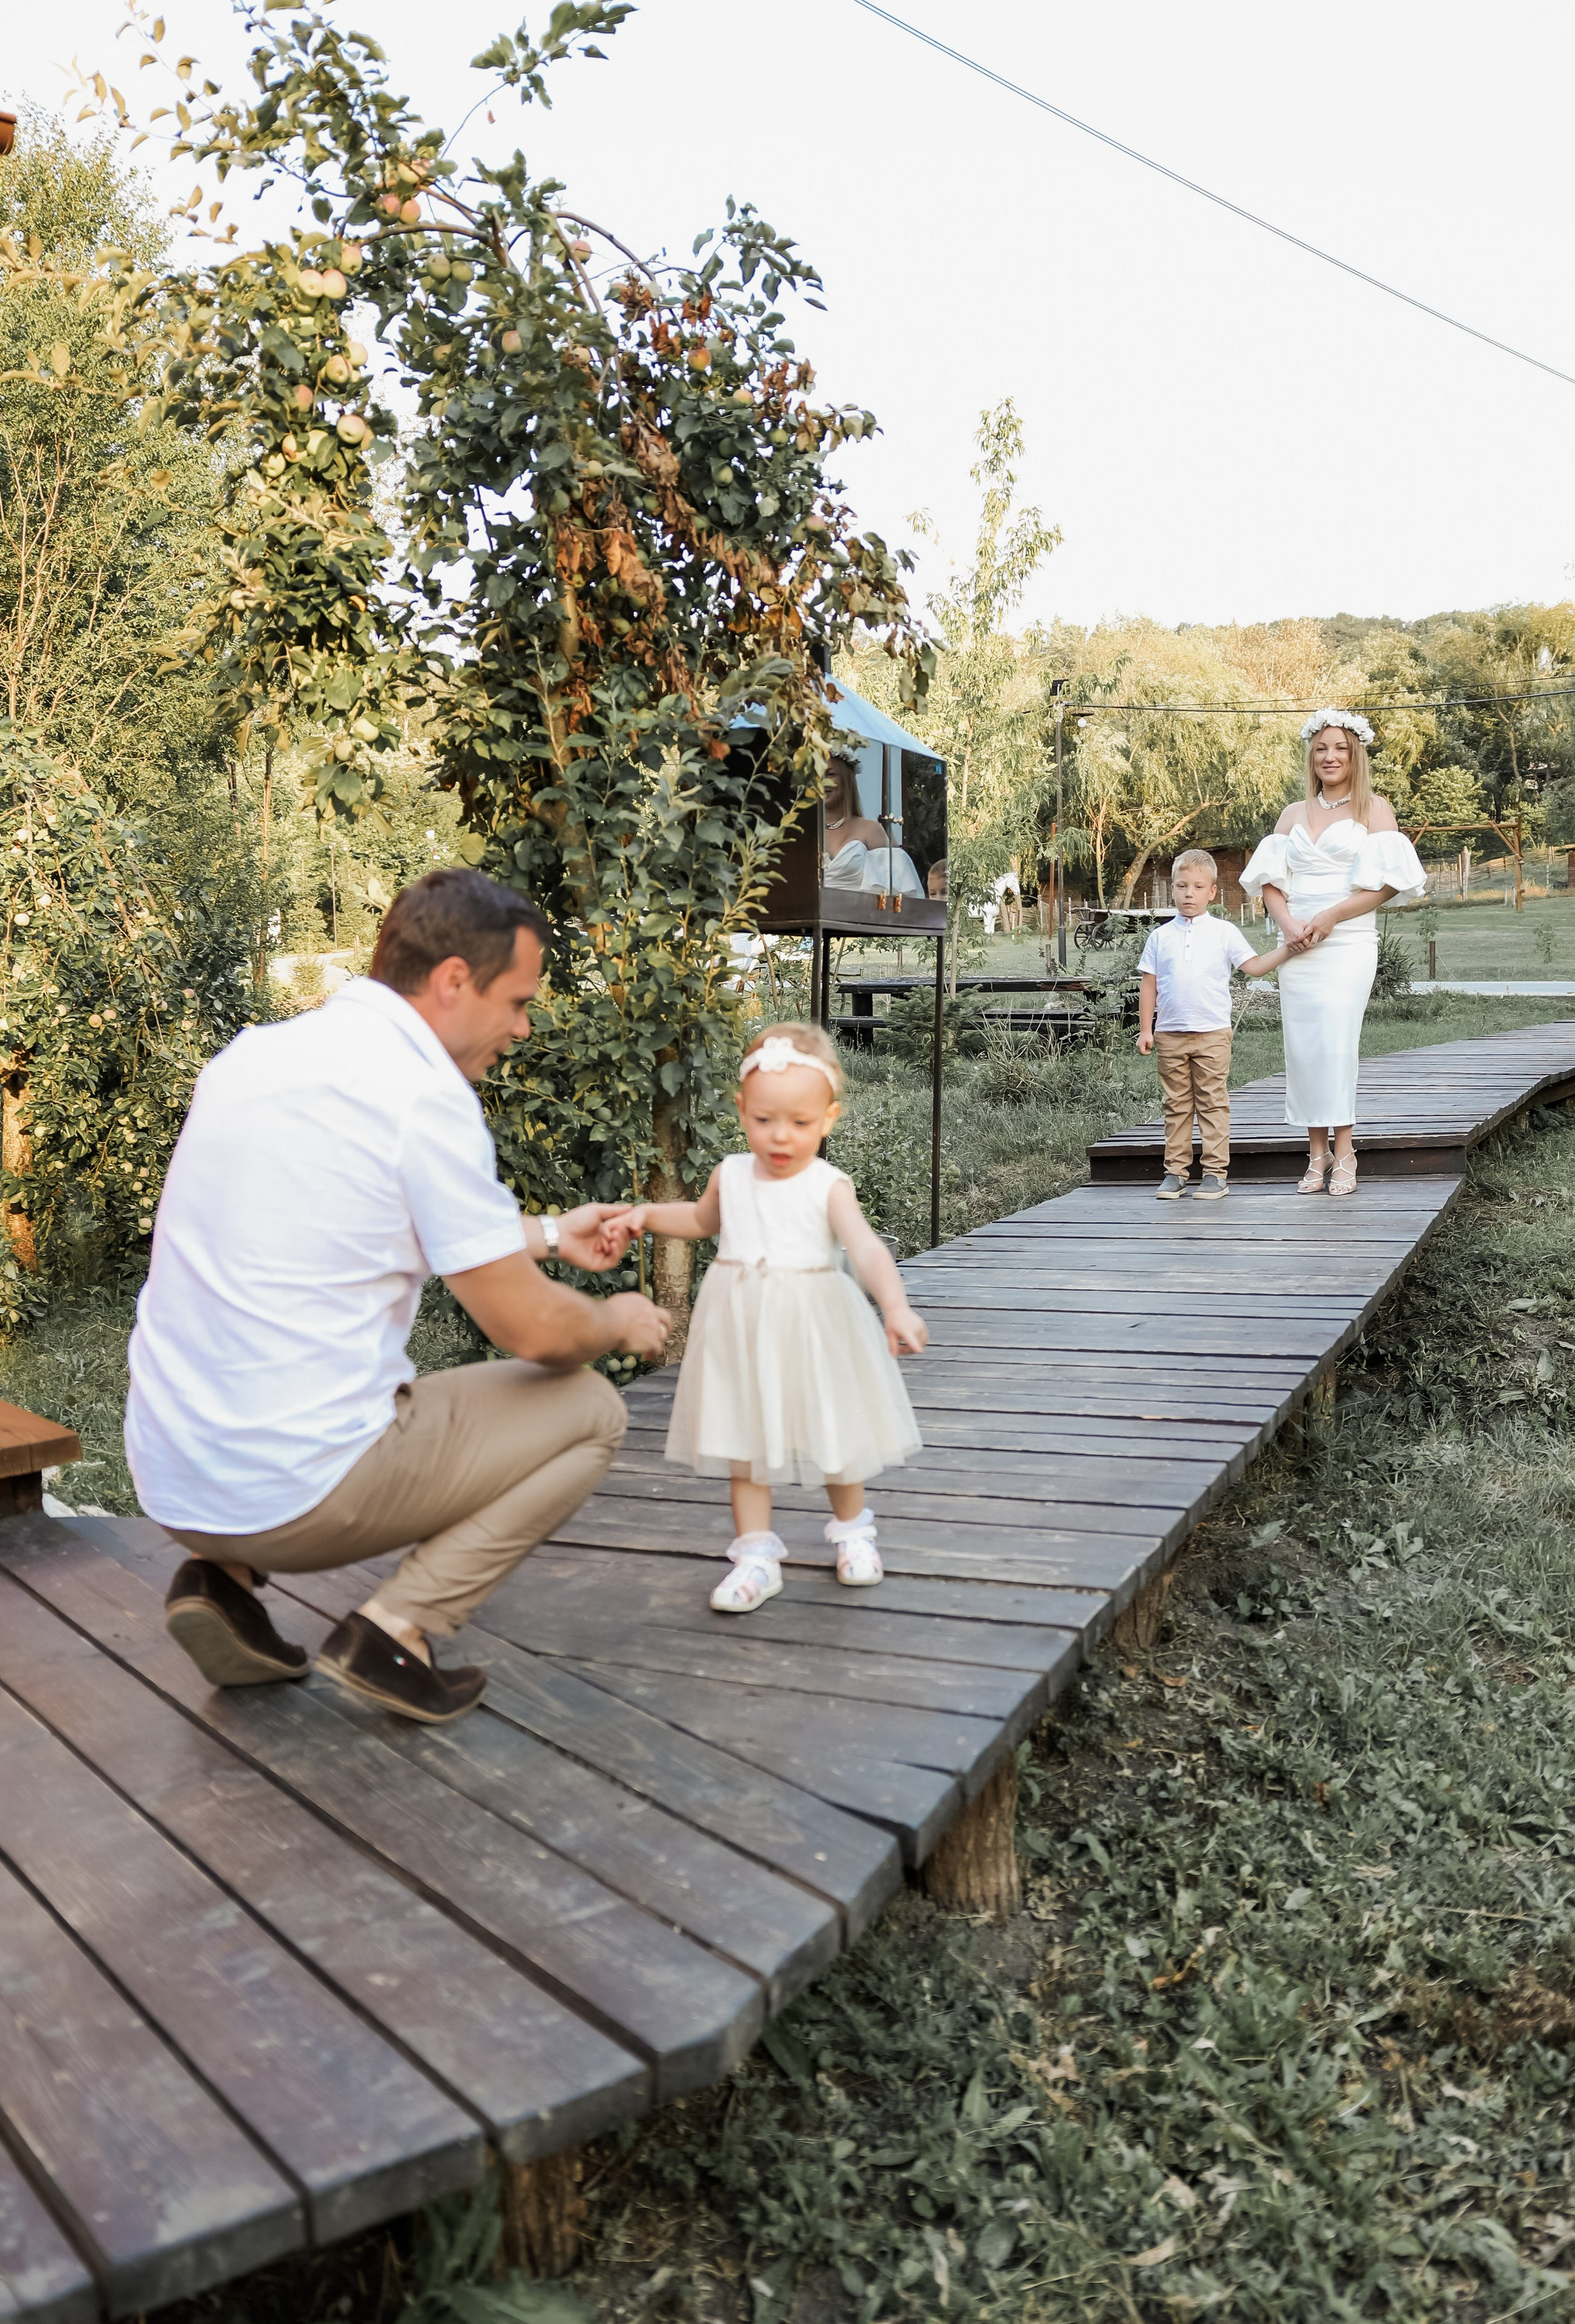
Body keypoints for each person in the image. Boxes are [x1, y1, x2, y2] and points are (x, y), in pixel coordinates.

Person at [127, 869, 668, 1725]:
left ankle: (219, 1584)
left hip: (172, 1476)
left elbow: (358, 1220)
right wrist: (618, 1320)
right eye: (518, 1001)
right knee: (589, 1407)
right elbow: (532, 1328)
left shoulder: (257, 1057)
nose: (523, 1027)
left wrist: (552, 1231)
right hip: (295, 1496)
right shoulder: (424, 1097)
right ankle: (397, 1629)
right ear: (454, 979)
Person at [616, 1023, 927, 1614]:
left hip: (816, 1327)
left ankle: (854, 1532)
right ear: (742, 1110)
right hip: (742, 1326)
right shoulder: (730, 1175)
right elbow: (701, 1220)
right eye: (764, 1121)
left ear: (828, 1118)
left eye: (800, 1124)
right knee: (746, 1440)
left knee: (834, 1430)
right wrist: (645, 1215)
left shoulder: (827, 1185)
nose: (780, 1136)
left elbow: (865, 1249)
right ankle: (756, 1555)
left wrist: (895, 1306)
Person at [1241, 711, 1426, 1195]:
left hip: (1347, 941)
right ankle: (1316, 1154)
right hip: (1298, 943)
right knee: (1304, 1048)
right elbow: (1270, 885)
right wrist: (1290, 928)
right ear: (1311, 755)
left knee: (1336, 1041)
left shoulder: (1374, 809)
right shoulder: (1292, 814)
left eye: (1340, 748)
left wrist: (1332, 917)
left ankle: (1346, 1152)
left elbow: (1389, 885)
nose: (1330, 756)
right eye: (1322, 748)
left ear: (1355, 753)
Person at [1136, 849, 1291, 1199]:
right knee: (1176, 1104)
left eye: (1197, 887)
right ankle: (1175, 1172)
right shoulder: (1160, 937)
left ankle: (1214, 1173)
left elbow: (1253, 966)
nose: (1189, 893)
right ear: (1172, 890)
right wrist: (1147, 1029)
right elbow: (1149, 985)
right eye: (1181, 886)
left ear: (1212, 892)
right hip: (1170, 1035)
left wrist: (1289, 949)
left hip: (1213, 1035)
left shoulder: (1225, 932)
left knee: (1212, 1103)